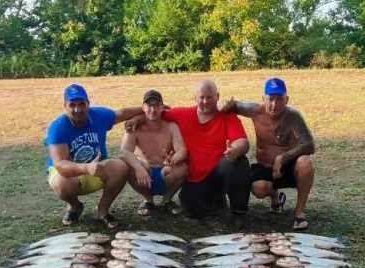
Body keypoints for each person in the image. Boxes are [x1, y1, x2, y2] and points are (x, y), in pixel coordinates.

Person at [134, 80, 250, 220]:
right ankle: (216, 199)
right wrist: (138, 118)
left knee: (237, 163)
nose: (205, 101)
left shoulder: (227, 117)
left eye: (210, 97)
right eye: (201, 97)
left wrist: (235, 149)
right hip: (196, 177)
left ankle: (239, 214)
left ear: (217, 96)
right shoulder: (182, 114)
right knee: (193, 209)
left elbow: (243, 142)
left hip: (220, 170)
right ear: (195, 98)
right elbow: (154, 112)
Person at [221, 77, 315, 230]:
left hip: (288, 168)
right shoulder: (254, 110)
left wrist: (283, 158)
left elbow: (309, 145)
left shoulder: (293, 116)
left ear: (287, 99)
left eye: (279, 99)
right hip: (265, 167)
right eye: (270, 99)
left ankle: (299, 214)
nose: (274, 104)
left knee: (306, 163)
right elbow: (232, 106)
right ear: (263, 98)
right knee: (259, 188)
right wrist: (224, 105)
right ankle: (275, 196)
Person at [45, 83, 144, 229]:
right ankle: (74, 206)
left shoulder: (98, 115)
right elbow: (60, 164)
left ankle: (102, 211)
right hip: (70, 174)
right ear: (65, 106)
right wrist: (86, 167)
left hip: (98, 168)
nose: (78, 109)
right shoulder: (57, 128)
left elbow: (122, 113)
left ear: (88, 104)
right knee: (60, 182)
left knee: (121, 167)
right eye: (72, 105)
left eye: (82, 104)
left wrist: (145, 110)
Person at [119, 89, 188, 216]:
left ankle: (167, 200)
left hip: (166, 170)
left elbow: (182, 150)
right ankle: (147, 200)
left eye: (156, 105)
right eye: (149, 106)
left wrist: (172, 161)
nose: (153, 109)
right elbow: (124, 152)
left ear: (162, 107)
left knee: (183, 168)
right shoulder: (134, 127)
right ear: (143, 108)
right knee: (128, 167)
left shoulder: (171, 126)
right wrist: (138, 167)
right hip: (145, 171)